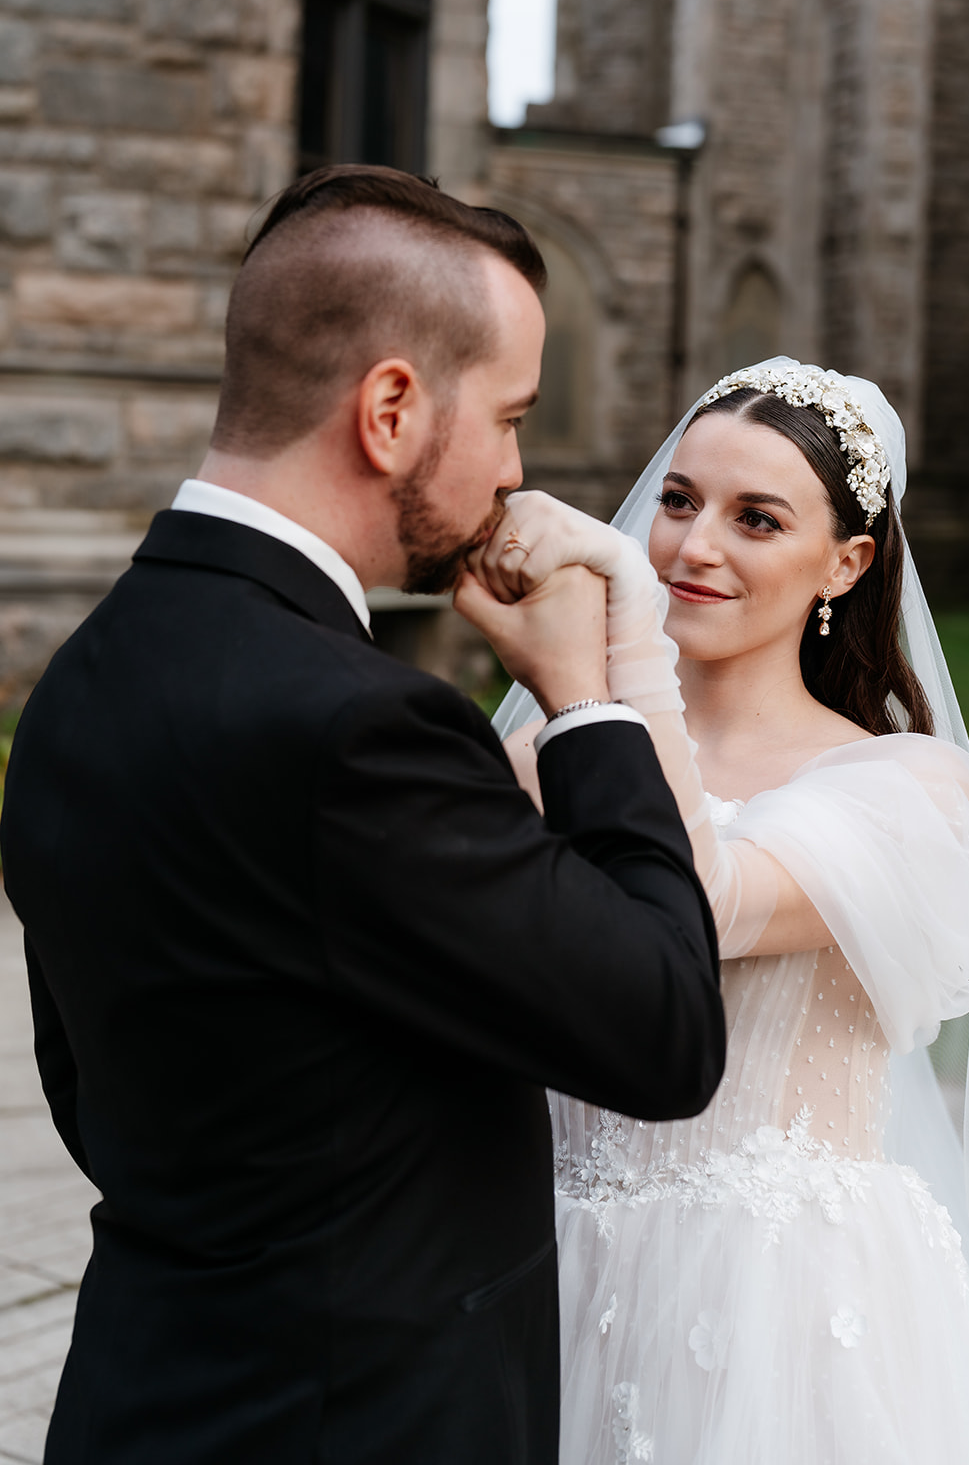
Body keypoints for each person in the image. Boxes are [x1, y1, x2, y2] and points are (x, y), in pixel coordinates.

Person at [0, 166, 727, 1465]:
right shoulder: (358, 730)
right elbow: (663, 1027)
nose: (514, 466)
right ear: (391, 409)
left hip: (147, 1389)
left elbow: (86, 1088)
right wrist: (585, 702)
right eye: (506, 416)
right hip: (354, 1418)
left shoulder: (79, 684)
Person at [489, 357, 969, 1464]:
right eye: (673, 502)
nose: (691, 547)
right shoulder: (535, 755)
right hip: (545, 1261)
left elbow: (690, 903)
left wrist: (613, 654)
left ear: (844, 562)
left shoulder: (908, 792)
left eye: (754, 518)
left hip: (771, 1300)